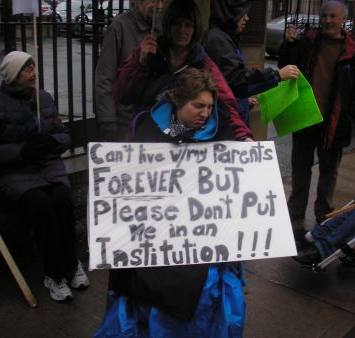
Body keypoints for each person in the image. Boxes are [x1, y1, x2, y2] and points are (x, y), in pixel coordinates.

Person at [94, 68, 245, 337]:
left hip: (200, 229)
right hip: (155, 231)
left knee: (202, 283)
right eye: (197, 105)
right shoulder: (148, 129)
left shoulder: (220, 133)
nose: (205, 113)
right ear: (177, 101)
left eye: (210, 106)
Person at [0, 51, 89, 302]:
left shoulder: (44, 99)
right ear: (13, 75)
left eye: (34, 67)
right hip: (15, 171)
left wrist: (50, 141)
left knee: (62, 200)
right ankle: (54, 273)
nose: (34, 73)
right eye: (27, 69)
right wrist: (21, 151)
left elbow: (64, 135)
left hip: (46, 165)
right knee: (41, 205)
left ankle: (72, 262)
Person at [278, 0, 355, 225]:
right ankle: (296, 210)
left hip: (334, 123)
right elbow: (286, 68)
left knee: (329, 174)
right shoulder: (307, 43)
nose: (328, 20)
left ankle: (323, 214)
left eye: (333, 16)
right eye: (325, 16)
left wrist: (348, 118)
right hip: (305, 118)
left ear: (343, 20)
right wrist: (289, 45)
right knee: (300, 168)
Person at [112, 0, 254, 141]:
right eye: (176, 23)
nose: (181, 30)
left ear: (195, 28)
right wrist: (140, 63)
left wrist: (243, 136)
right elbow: (121, 95)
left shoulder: (204, 64)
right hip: (148, 137)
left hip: (188, 143)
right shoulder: (146, 55)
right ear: (168, 25)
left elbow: (226, 105)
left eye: (188, 25)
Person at [203, 0, 299, 126]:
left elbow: (228, 83)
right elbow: (238, 79)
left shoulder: (226, 36)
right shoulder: (217, 39)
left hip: (233, 115)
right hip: (227, 123)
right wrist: (277, 75)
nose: (247, 18)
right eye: (242, 13)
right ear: (229, 13)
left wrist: (242, 101)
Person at [94, 0, 164, 141]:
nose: (159, 6)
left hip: (154, 119)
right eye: (154, 1)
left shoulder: (162, 28)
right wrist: (108, 120)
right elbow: (104, 77)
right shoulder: (119, 27)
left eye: (162, 1)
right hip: (125, 121)